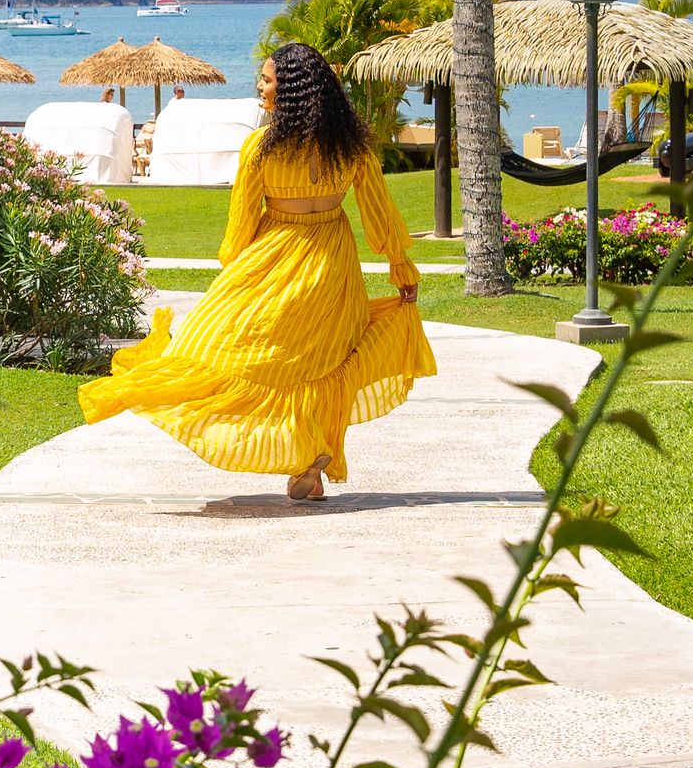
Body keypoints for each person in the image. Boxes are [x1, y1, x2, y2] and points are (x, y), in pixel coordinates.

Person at [80, 42, 434, 500]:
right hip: (332, 262)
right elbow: (378, 214)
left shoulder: (260, 148)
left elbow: (242, 222)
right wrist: (400, 268)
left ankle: (158, 393)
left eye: (267, 80)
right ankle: (313, 462)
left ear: (290, 92)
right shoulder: (351, 148)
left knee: (215, 349)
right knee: (322, 362)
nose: (261, 87)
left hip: (272, 258)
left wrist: (233, 273)